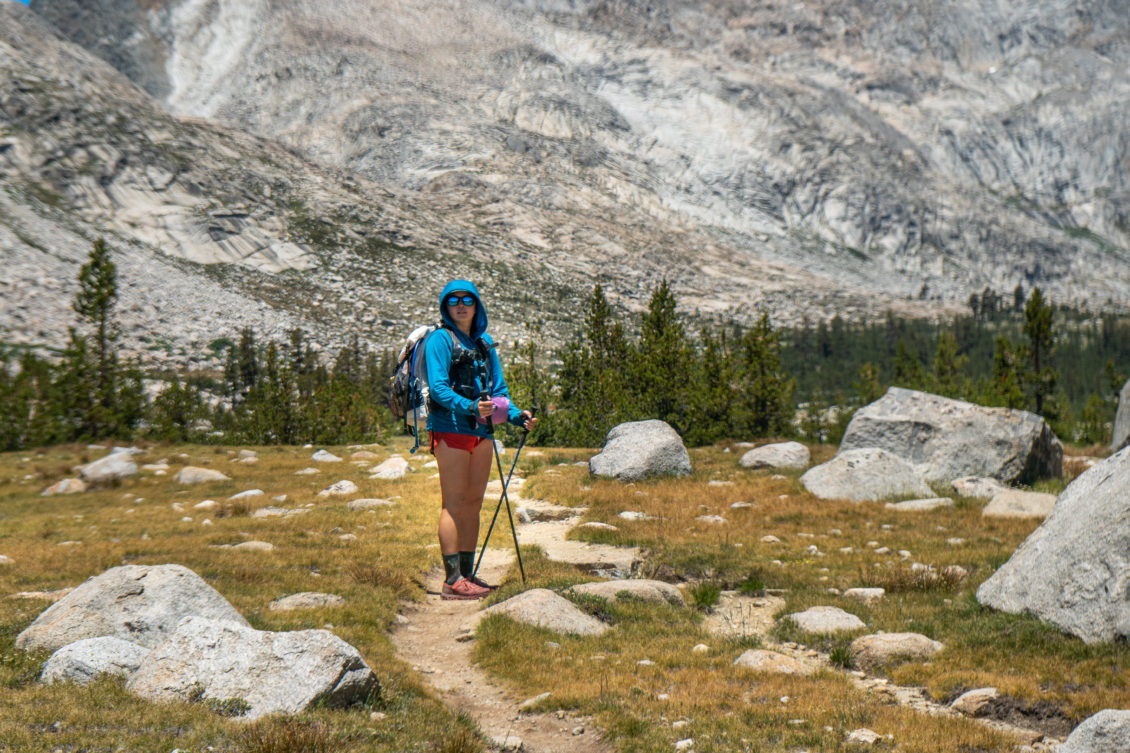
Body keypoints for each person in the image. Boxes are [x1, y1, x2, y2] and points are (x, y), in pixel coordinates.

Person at [425, 280, 536, 600]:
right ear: (446, 306)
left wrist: (517, 416)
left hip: (482, 434)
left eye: (467, 299)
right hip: (451, 429)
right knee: (454, 503)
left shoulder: (485, 343)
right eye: (453, 300)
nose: (460, 305)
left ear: (477, 305)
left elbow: (499, 392)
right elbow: (439, 389)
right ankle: (451, 581)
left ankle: (467, 574)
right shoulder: (439, 340)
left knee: (472, 504)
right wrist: (471, 406)